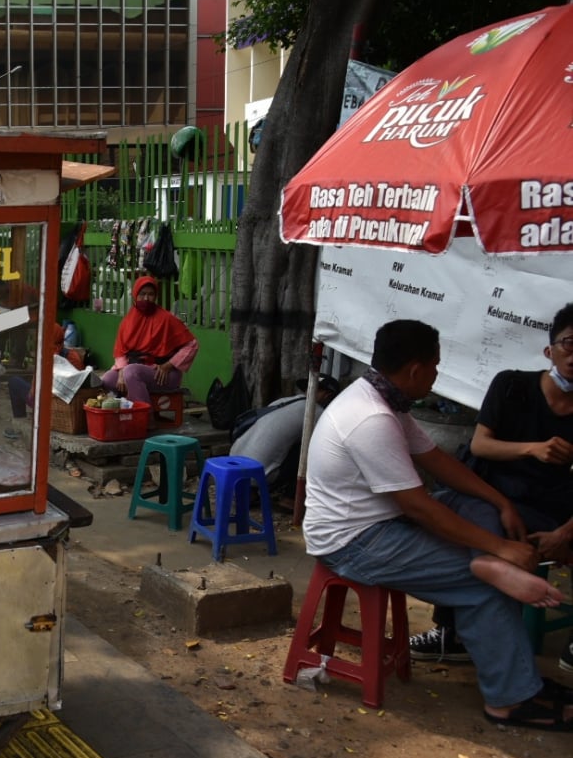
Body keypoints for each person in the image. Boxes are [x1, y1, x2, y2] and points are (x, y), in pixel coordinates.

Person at [304, 319, 569, 731]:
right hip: (354, 542)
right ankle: (511, 699)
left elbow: (439, 462)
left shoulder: (385, 398)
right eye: (435, 366)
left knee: (470, 500)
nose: (436, 375)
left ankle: (486, 566)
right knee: (485, 587)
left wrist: (500, 502)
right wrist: (500, 548)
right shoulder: (371, 417)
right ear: (415, 370)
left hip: (382, 520)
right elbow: (420, 509)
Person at [409, 303, 573, 673]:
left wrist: (565, 532)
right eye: (569, 344)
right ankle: (454, 633)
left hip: (554, 510)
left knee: (494, 538)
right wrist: (533, 448)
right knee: (471, 526)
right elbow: (482, 445)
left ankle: (490, 643)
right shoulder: (512, 385)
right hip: (494, 496)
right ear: (550, 350)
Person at [229, 375, 342, 495]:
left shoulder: (283, 401)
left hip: (232, 460)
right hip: (258, 474)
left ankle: (255, 490)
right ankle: (289, 494)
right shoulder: (316, 412)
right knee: (311, 450)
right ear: (327, 395)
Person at [99, 274, 198, 404]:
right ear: (135, 295)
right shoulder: (127, 321)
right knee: (108, 379)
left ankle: (144, 416)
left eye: (151, 294)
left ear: (155, 296)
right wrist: (121, 374)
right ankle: (127, 408)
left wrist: (168, 365)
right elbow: (120, 352)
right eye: (142, 294)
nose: (146, 298)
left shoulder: (166, 318)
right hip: (133, 369)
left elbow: (192, 344)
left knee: (131, 372)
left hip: (162, 374)